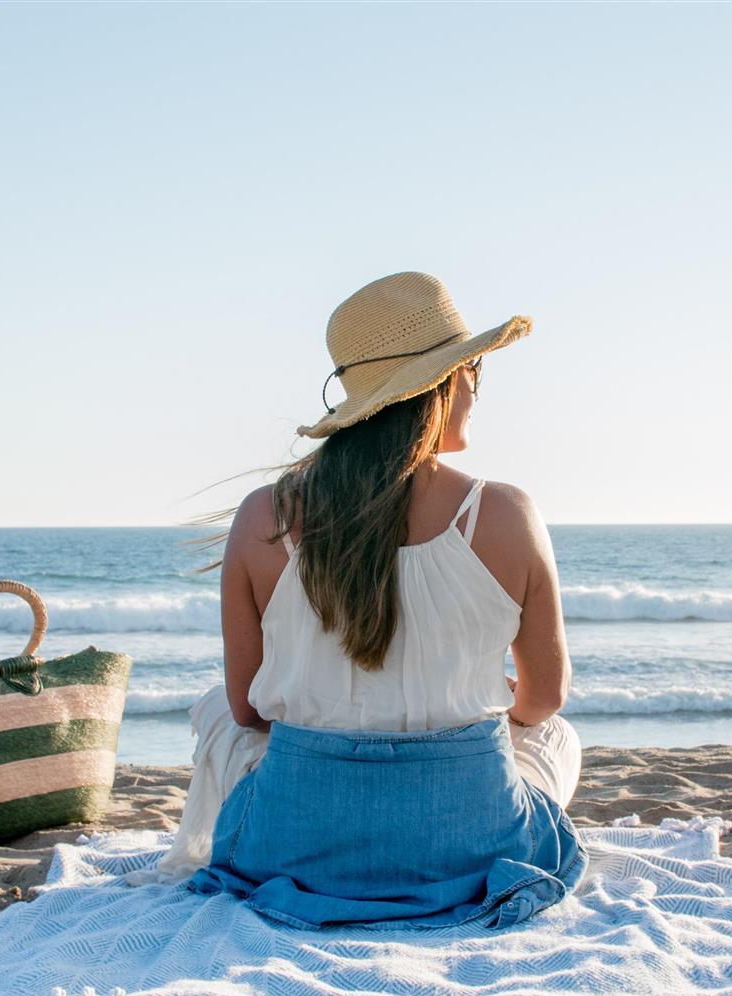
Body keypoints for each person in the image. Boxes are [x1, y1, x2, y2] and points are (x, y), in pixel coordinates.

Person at [136, 271, 584, 932]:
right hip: (470, 845)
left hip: (297, 849)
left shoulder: (264, 515)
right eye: (472, 369)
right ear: (440, 385)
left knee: (215, 715)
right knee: (553, 734)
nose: (477, 386)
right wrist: (470, 705)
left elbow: (247, 710)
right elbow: (543, 700)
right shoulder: (506, 513)